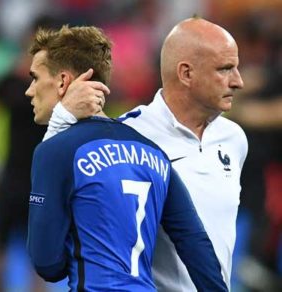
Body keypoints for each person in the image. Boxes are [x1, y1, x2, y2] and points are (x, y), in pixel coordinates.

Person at [43, 17, 248, 291]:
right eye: (225, 69)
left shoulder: (234, 139)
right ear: (186, 74)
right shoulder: (128, 137)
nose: (239, 82)